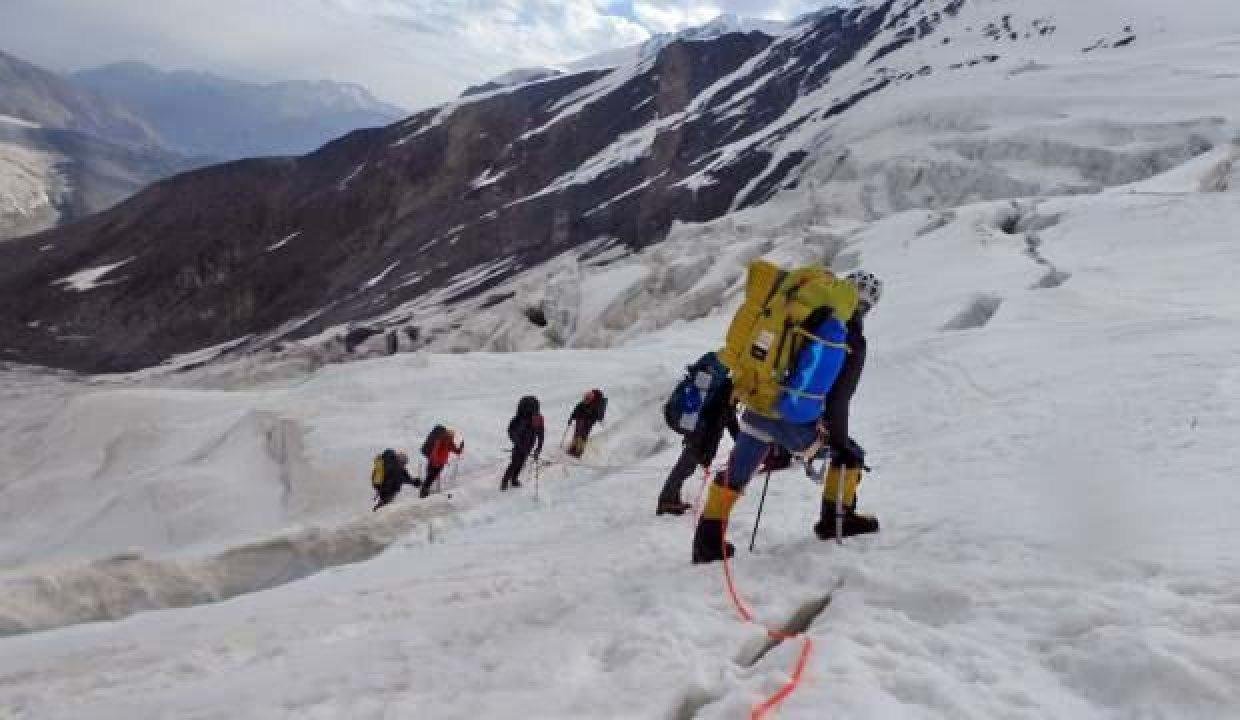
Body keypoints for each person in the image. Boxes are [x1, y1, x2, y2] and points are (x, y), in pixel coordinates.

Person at [692, 269, 883, 563]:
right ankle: (835, 520)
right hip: (791, 419)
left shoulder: (799, 314)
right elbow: (838, 399)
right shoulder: (849, 338)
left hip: (758, 402)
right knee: (850, 455)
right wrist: (840, 442)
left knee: (737, 471)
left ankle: (707, 541)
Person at [657, 355, 739, 516]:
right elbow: (725, 421)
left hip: (679, 412)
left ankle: (670, 497)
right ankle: (667, 500)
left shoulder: (717, 374)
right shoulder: (726, 387)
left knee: (691, 456)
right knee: (690, 459)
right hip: (689, 417)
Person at [502, 396, 544, 491]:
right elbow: (511, 431)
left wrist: (538, 449)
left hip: (529, 445)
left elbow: (541, 434)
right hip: (519, 445)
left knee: (521, 463)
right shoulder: (519, 419)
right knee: (514, 463)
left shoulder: (538, 419)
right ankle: (505, 481)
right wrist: (517, 442)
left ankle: (514, 479)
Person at [420, 426, 464, 498]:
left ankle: (425, 490)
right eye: (451, 434)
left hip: (440, 463)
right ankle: (423, 492)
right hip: (434, 462)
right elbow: (435, 451)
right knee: (430, 476)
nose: (452, 436)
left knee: (432, 476)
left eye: (452, 435)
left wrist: (461, 446)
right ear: (448, 434)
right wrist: (435, 461)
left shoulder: (450, 442)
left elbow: (457, 451)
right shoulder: (441, 440)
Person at [566, 389, 606, 458]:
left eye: (587, 399)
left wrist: (588, 420)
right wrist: (571, 418)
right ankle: (573, 448)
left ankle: (578, 452)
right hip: (580, 420)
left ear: (591, 399)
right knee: (577, 434)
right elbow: (575, 410)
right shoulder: (582, 403)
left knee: (582, 436)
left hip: (588, 423)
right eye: (585, 398)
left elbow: (595, 416)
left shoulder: (595, 406)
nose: (585, 400)